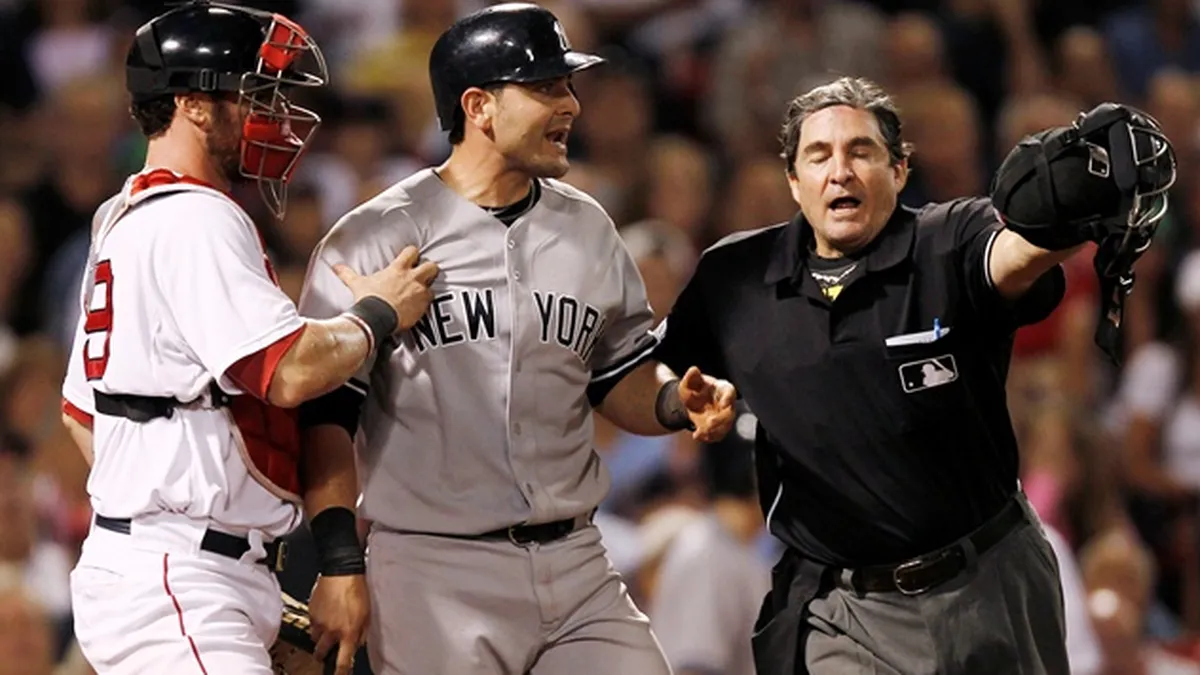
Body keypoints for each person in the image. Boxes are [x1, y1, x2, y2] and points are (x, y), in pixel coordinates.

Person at [650, 75, 1176, 674]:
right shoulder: (734, 278)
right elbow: (654, 367)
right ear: (794, 181)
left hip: (990, 576)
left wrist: (1070, 209)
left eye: (861, 152)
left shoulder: (949, 239)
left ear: (899, 170)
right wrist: (676, 399)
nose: (840, 171)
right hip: (844, 606)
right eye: (818, 156)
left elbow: (1013, 256)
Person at [296, 4, 736, 674]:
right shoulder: (375, 236)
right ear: (478, 106)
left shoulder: (588, 227)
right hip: (434, 569)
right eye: (547, 88)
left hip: (577, 560)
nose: (572, 105)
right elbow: (325, 415)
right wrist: (336, 561)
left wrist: (676, 401)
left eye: (569, 86)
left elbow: (615, 376)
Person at [57, 3, 439, 673]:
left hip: (176, 568)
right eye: (255, 95)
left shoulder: (125, 215)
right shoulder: (194, 217)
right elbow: (289, 370)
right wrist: (378, 312)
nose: (276, 118)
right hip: (180, 579)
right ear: (193, 105)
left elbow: (82, 416)